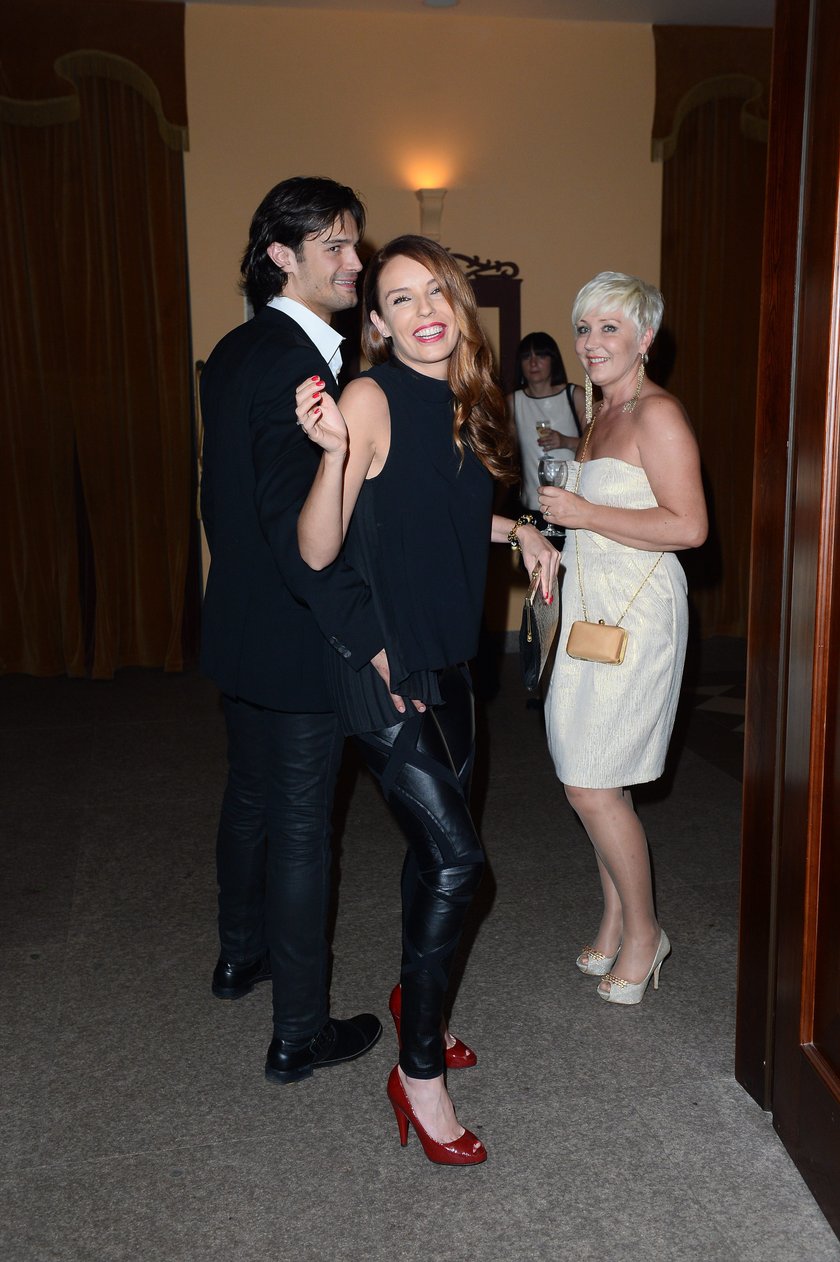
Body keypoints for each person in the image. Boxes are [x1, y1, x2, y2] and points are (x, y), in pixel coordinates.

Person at [294, 235, 560, 1163]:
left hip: (449, 663)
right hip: (379, 667)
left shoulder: (466, 400)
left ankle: (422, 999)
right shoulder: (368, 398)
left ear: (457, 302)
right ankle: (417, 1073)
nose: (423, 311)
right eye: (399, 299)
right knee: (458, 863)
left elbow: (434, 510)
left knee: (431, 854)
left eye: (434, 292)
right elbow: (317, 554)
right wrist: (333, 455)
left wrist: (517, 531)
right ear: (378, 323)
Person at [199, 176, 385, 1084]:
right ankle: (299, 1033)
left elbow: (220, 500)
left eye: (355, 244)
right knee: (304, 828)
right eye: (336, 247)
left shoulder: (238, 347)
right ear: (283, 255)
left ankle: (240, 957)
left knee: (250, 799)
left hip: (239, 624)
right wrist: (361, 635)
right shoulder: (299, 366)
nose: (356, 262)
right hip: (293, 632)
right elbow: (297, 532)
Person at [537, 271, 707, 1005]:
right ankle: (614, 916)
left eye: (611, 327)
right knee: (593, 775)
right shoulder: (598, 411)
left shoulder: (656, 414)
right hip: (590, 607)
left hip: (636, 616)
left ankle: (646, 934)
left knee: (591, 782)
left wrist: (584, 513)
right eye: (584, 327)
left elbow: (689, 527)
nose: (592, 341)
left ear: (646, 339)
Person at [508, 331, 584, 543]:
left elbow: (597, 447)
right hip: (532, 507)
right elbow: (506, 452)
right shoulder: (513, 402)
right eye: (527, 357)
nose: (533, 362)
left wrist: (565, 441)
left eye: (541, 355)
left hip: (574, 505)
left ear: (553, 360)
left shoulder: (574, 395)